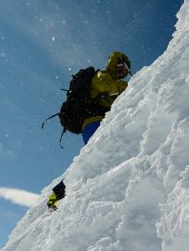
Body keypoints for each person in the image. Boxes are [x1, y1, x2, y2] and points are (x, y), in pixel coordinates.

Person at [47, 51, 132, 210]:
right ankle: (59, 195)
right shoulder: (102, 76)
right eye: (123, 66)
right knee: (97, 157)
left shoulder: (113, 86)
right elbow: (111, 87)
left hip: (99, 123)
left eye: (127, 70)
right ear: (116, 63)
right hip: (93, 123)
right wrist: (136, 85)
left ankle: (57, 194)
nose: (124, 71)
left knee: (94, 158)